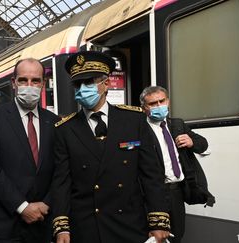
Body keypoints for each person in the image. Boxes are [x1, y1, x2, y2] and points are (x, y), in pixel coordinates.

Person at [51, 51, 171, 243]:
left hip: (129, 223)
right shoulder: (64, 129)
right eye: (77, 84)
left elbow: (151, 173)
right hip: (87, 227)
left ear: (106, 84)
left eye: (88, 82)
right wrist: (61, 228)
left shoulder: (134, 120)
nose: (82, 89)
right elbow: (61, 183)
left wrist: (158, 221)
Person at [0, 58, 59, 243]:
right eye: (23, 80)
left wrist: (47, 203)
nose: (29, 86)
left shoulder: (54, 122)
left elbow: (60, 169)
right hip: (3, 226)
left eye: (35, 81)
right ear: (13, 83)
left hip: (42, 222)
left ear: (43, 84)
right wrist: (22, 207)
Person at [139, 86, 209, 243]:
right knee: (154, 238)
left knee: (177, 235)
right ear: (144, 108)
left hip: (176, 192)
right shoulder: (140, 129)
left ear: (168, 101)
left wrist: (192, 142)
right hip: (151, 195)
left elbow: (203, 144)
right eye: (153, 103)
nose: (159, 106)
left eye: (161, 101)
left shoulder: (177, 125)